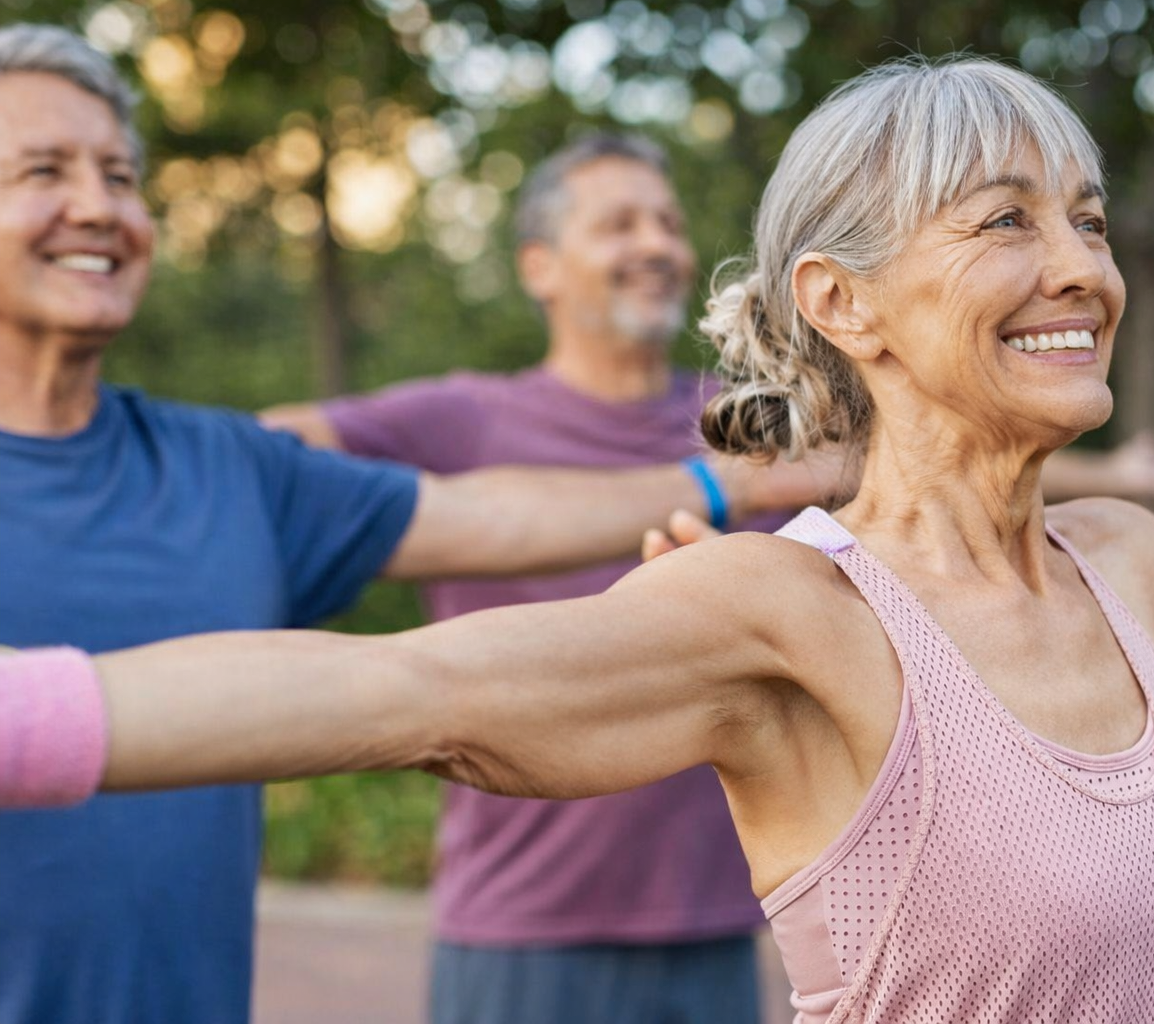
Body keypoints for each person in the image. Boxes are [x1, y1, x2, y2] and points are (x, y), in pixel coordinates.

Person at [4, 56, 1154, 1023]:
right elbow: (402, 696)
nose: (1079, 266)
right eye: (1005, 221)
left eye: (1088, 217)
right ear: (840, 303)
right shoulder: (788, 609)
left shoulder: (1130, 561)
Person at [0, 24, 827, 1024]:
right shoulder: (433, 415)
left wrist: (738, 479)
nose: (97, 205)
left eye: (121, 176)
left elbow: (495, 512)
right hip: (526, 938)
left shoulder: (228, 471)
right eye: (43, 170)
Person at [264, 132, 786, 1024]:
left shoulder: (755, 422)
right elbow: (258, 456)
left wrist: (1114, 475)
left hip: (719, 930)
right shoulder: (464, 420)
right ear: (540, 266)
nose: (657, 245)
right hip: (522, 935)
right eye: (618, 224)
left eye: (667, 222)